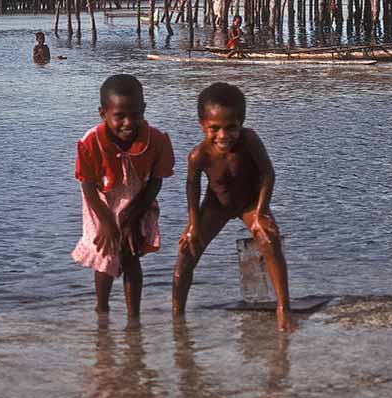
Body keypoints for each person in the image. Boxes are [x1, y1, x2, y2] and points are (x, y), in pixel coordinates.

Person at [173, 83, 295, 332]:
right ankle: (177, 316)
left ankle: (284, 309)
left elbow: (268, 174)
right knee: (187, 253)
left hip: (250, 203)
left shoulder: (249, 140)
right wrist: (192, 225)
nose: (223, 136)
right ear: (202, 125)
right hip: (217, 205)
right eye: (214, 129)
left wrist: (261, 213)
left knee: (269, 239)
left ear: (241, 124)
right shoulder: (198, 156)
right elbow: (192, 188)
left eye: (231, 128)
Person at [72, 75, 175, 323]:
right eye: (120, 116)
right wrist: (107, 222)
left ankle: (133, 320)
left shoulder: (157, 140)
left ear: (144, 111)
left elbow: (156, 181)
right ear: (103, 114)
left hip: (138, 197)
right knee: (106, 257)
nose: (128, 123)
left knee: (130, 254)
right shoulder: (90, 142)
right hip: (101, 201)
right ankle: (102, 311)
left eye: (135, 114)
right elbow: (86, 184)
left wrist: (133, 215)